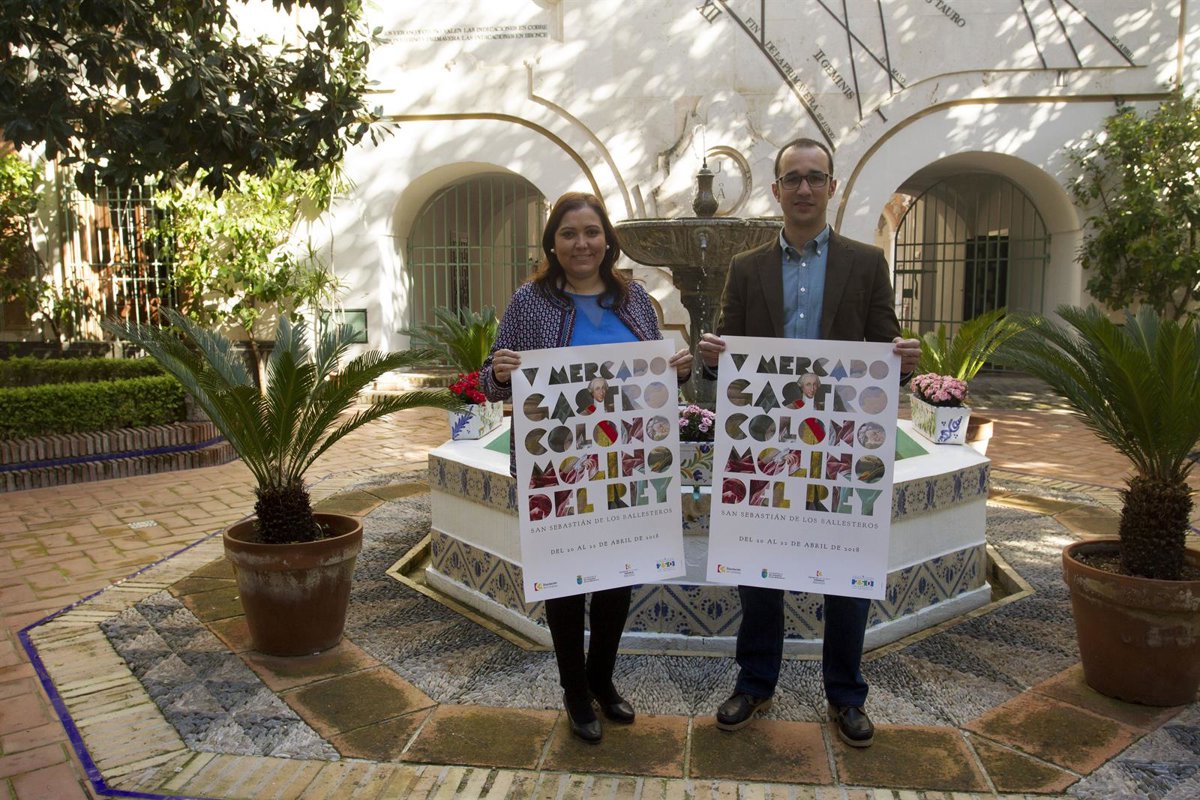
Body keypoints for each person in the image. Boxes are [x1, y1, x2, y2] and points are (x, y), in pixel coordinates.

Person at [698, 137, 920, 748]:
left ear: (831, 187)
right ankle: (755, 682)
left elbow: (884, 346)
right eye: (792, 178)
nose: (803, 188)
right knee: (758, 566)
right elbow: (727, 356)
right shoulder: (746, 268)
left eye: (814, 177)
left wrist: (902, 360)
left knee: (847, 569)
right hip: (766, 443)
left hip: (839, 444)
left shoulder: (865, 263)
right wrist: (712, 357)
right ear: (776, 189)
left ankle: (846, 695)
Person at [481, 192, 693, 744]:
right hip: (558, 466)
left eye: (592, 232)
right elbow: (490, 380)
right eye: (570, 233)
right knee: (566, 583)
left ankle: (602, 678)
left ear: (607, 240)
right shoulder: (529, 302)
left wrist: (677, 372)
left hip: (625, 462)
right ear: (553, 243)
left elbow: (653, 379)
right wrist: (499, 374)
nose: (582, 243)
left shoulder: (634, 299)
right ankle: (575, 691)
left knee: (619, 578)